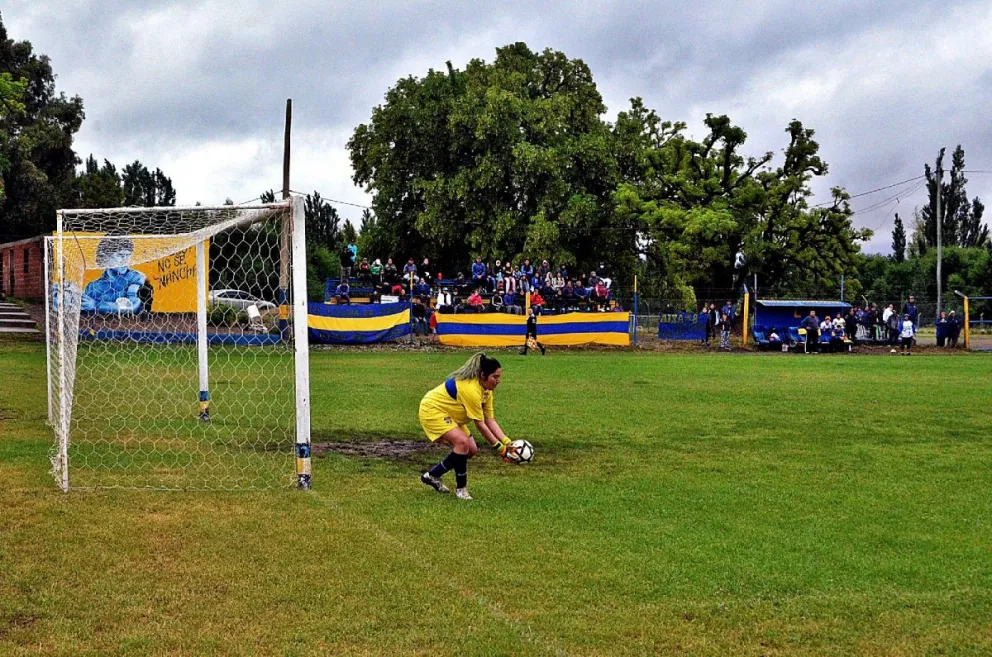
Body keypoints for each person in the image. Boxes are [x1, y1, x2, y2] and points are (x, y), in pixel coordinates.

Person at [419, 353, 515, 500]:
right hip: (432, 410)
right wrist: (500, 449)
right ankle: (461, 489)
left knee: (471, 450)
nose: (498, 381)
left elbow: (490, 420)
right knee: (462, 443)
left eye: (499, 377)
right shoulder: (471, 390)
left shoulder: (486, 391)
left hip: (450, 415)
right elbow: (480, 424)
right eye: (495, 377)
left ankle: (432, 475)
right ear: (483, 375)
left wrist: (508, 442)